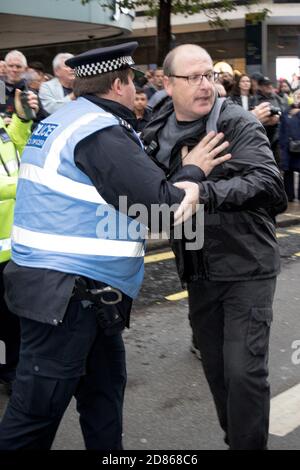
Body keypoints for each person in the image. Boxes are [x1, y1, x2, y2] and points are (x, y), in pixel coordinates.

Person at [0, 41, 229, 450]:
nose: (136, 91)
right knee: (35, 415)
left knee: (103, 400)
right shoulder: (98, 131)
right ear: (119, 84)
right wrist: (194, 167)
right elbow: (159, 209)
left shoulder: (67, 117)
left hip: (79, 297)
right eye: (132, 82)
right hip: (68, 299)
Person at [142, 44, 288, 450]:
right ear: (167, 83)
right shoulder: (155, 131)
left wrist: (203, 190)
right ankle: (238, 439)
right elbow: (150, 200)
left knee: (244, 373)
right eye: (193, 77)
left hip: (247, 264)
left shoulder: (237, 123)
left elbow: (271, 186)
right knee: (220, 372)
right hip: (198, 268)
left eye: (209, 75)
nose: (205, 85)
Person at [0, 86, 39, 395]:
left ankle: (11, 368)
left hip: (12, 246)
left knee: (12, 316)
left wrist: (23, 117)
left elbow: (18, 140)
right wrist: (26, 183)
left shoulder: (2, 126)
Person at [279, 88, 300, 201]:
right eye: (296, 94)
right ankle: (289, 196)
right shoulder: (286, 111)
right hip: (288, 147)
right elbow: (282, 130)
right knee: (288, 172)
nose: (298, 96)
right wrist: (282, 147)